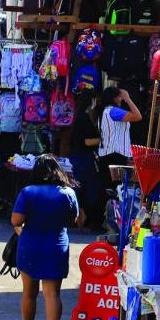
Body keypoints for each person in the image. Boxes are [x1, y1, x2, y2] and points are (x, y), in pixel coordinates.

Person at [10, 155, 82, 320]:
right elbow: (74, 219)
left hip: (30, 243)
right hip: (56, 244)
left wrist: (21, 231)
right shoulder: (68, 192)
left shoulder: (28, 192)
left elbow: (16, 220)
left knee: (29, 292)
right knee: (52, 294)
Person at [69, 89, 105, 233]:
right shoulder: (83, 119)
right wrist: (103, 140)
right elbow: (87, 141)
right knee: (89, 189)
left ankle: (81, 216)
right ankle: (83, 217)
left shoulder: (80, 116)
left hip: (79, 157)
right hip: (83, 159)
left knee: (81, 188)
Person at [96, 86, 142, 184]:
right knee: (115, 187)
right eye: (119, 96)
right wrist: (128, 99)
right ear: (114, 98)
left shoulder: (104, 111)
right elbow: (138, 116)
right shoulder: (113, 111)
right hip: (115, 155)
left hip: (107, 154)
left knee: (107, 186)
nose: (121, 99)